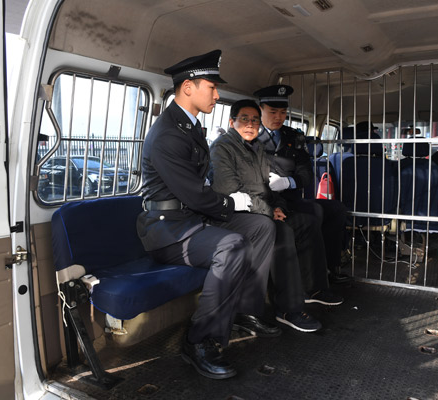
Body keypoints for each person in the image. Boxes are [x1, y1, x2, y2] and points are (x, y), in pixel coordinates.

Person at [136, 50, 280, 380]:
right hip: (167, 230)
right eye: (212, 87)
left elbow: (198, 191)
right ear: (188, 87)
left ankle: (246, 311)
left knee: (261, 227)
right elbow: (192, 192)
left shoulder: (188, 127)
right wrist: (231, 203)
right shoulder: (168, 133)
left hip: (192, 218)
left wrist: (235, 204)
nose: (216, 95)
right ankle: (199, 340)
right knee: (231, 246)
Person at [210, 99, 343, 333]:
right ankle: (289, 308)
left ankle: (313, 288)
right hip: (232, 214)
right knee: (280, 231)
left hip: (260, 209)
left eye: (254, 120)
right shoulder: (222, 148)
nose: (250, 124)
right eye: (244, 119)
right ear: (231, 122)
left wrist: (279, 206)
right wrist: (269, 210)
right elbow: (229, 189)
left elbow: (268, 186)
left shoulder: (256, 148)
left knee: (304, 221)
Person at [254, 84, 351, 284]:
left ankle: (330, 267)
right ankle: (308, 278)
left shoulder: (294, 137)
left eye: (283, 112)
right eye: (273, 111)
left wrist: (288, 182)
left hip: (292, 198)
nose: (278, 117)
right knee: (314, 212)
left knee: (336, 209)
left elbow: (306, 174)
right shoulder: (250, 137)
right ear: (260, 109)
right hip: (266, 200)